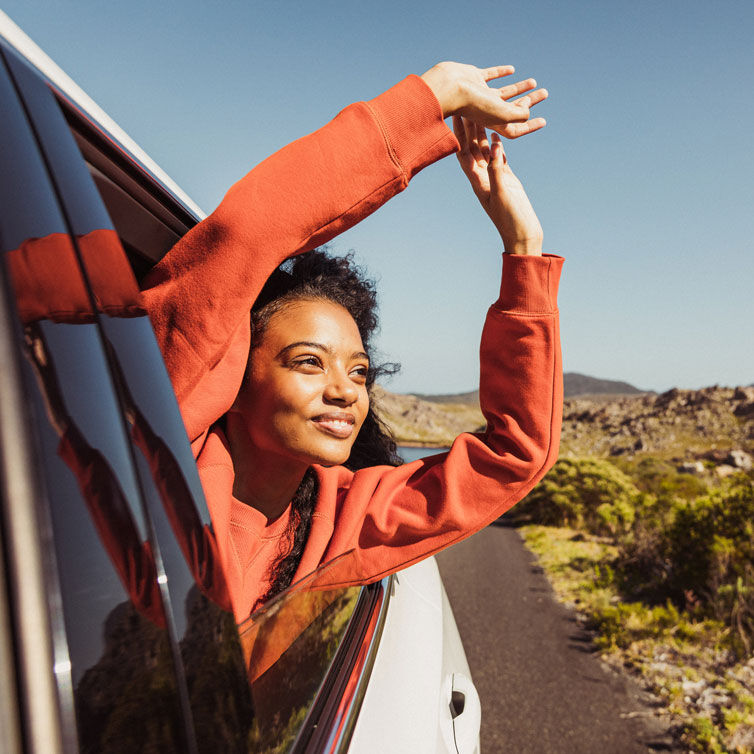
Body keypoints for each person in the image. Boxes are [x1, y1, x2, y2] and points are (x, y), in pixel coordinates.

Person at [141, 61, 563, 622]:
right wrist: (428, 99)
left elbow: (515, 456)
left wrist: (523, 248)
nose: (345, 391)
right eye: (310, 362)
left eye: (360, 371)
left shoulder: (340, 520)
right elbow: (248, 234)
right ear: (235, 378)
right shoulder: (155, 447)